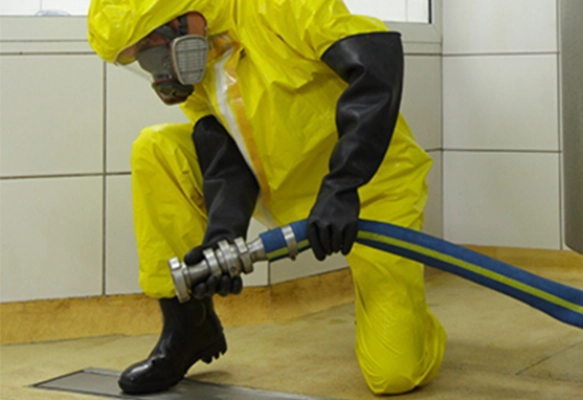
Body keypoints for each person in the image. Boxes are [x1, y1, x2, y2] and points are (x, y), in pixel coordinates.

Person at [87, 0, 446, 395]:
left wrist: (343, 185)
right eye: (140, 58)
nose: (156, 65)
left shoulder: (278, 7)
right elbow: (225, 152)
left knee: (394, 373)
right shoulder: (198, 53)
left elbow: (376, 66)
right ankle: (188, 328)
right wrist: (222, 237)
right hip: (275, 183)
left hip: (368, 184)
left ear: (179, 16)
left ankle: (409, 318)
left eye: (150, 47)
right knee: (156, 148)